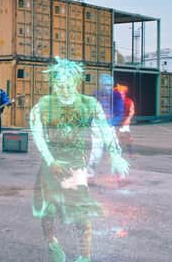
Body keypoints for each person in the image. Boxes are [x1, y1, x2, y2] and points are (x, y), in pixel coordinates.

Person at [30, 57, 129, 262]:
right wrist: (50, 161)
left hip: (76, 166)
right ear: (53, 83)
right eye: (59, 85)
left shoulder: (89, 104)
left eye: (68, 85)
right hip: (52, 164)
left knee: (81, 212)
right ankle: (52, 244)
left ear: (76, 82)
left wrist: (115, 155)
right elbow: (37, 134)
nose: (64, 89)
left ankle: (85, 256)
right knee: (47, 209)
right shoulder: (44, 105)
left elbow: (106, 131)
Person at [115, 83, 135, 157]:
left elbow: (132, 112)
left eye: (122, 93)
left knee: (127, 139)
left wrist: (128, 119)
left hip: (125, 123)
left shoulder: (129, 101)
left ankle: (131, 153)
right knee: (116, 139)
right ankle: (116, 155)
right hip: (117, 123)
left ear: (124, 93)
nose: (120, 95)